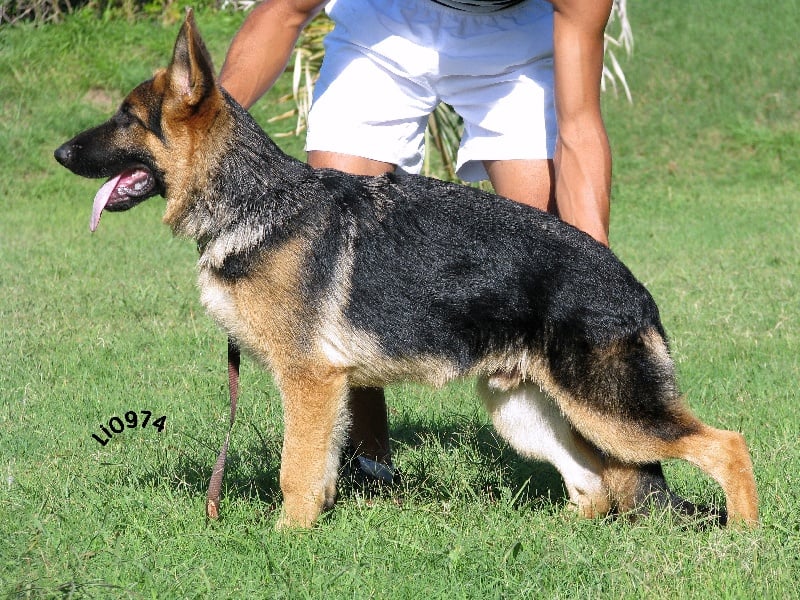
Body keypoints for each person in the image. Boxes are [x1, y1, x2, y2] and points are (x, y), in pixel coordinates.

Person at [219, 0, 612, 493]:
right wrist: (199, 126)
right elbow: (283, 12)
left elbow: (579, 127)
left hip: (514, 37)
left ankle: (610, 461)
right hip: (388, 20)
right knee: (337, 235)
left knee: (551, 265)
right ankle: (366, 465)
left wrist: (598, 287)